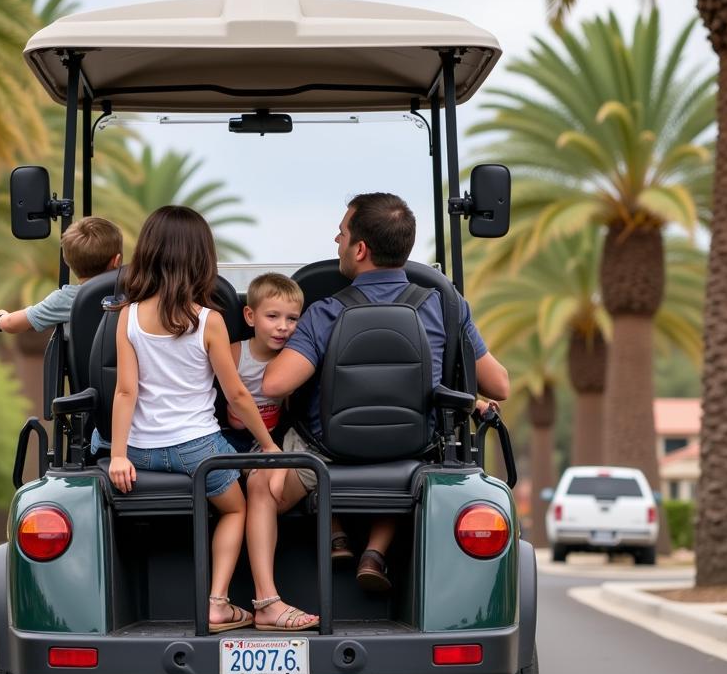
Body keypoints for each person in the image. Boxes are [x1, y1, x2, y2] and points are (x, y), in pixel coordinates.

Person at [247, 192, 509, 596]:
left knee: (260, 486)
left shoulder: (326, 311)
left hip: (324, 456)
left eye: (342, 234)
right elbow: (500, 385)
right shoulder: (444, 305)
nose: (337, 242)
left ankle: (267, 596)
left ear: (361, 248)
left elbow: (275, 385)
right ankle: (376, 551)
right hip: (413, 453)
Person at [106, 206, 317, 634]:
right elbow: (238, 395)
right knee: (236, 507)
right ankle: (219, 602)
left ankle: (224, 603)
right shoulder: (208, 320)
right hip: (198, 451)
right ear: (203, 259)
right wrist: (271, 447)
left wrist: (117, 455)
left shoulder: (127, 316)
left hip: (143, 452)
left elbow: (125, 391)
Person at [0, 216, 123, 335]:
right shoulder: (132, 292)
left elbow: (11, 324)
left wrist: (0, 319)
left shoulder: (66, 299)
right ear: (117, 261)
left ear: (67, 261)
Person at [222, 272, 304, 453]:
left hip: (274, 436)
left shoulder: (292, 357)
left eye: (292, 319)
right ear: (250, 316)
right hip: (235, 436)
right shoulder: (235, 352)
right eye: (272, 316)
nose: (283, 326)